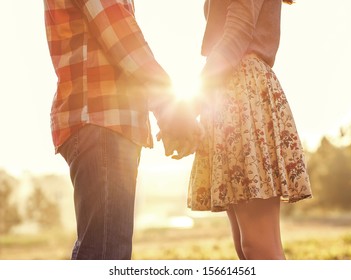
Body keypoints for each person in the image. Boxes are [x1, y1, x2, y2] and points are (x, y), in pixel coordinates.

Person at [43, 0, 200, 260]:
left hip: (105, 121)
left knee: (104, 248)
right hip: (101, 119)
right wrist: (172, 109)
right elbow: (124, 42)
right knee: (106, 252)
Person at [187, 0, 312, 260]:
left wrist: (188, 108)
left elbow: (236, 35)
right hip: (229, 98)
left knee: (257, 246)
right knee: (247, 248)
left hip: (244, 96)